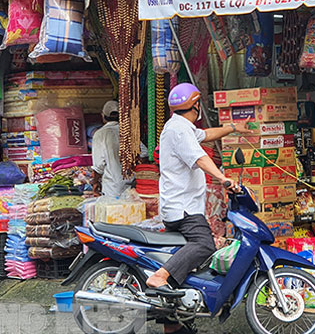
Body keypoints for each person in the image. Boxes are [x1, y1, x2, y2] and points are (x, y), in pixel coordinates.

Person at [146, 83, 246, 303]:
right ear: (196, 105)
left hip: (179, 205)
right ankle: (159, 276)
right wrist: (222, 178)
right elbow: (199, 158)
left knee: (186, 260)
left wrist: (233, 128)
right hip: (184, 209)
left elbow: (207, 134)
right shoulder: (179, 130)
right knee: (204, 244)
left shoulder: (180, 126)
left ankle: (171, 316)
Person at [91, 101, 132, 198]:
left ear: (103, 116)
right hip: (132, 187)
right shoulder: (128, 131)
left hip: (112, 188)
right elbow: (144, 154)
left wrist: (95, 182)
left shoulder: (100, 134)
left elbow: (98, 166)